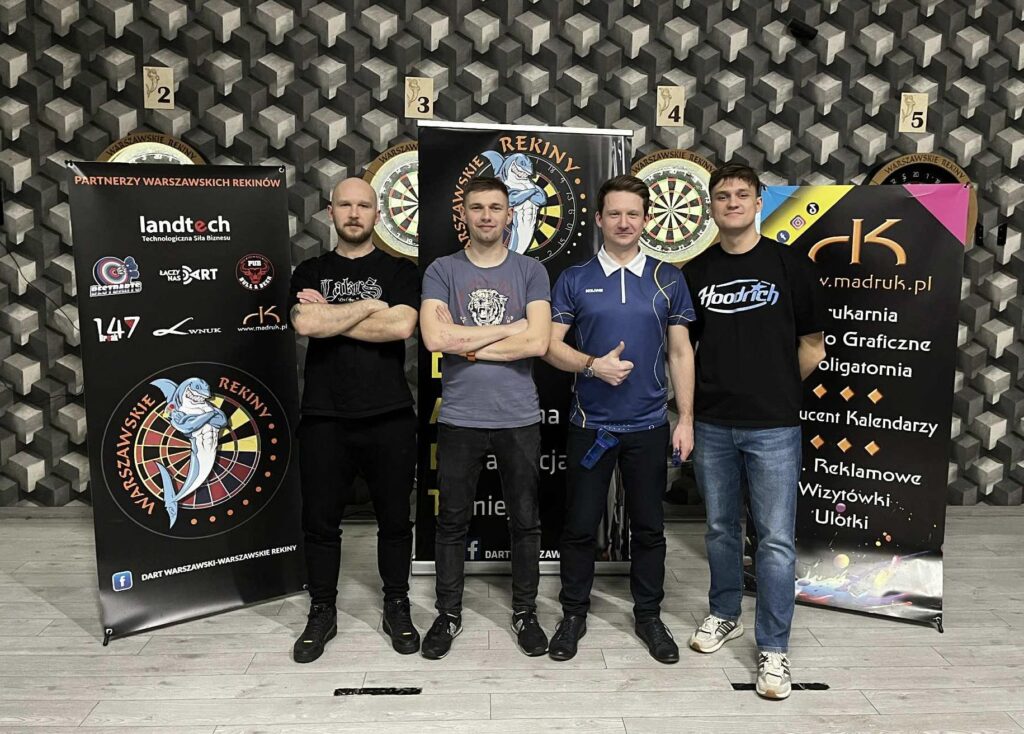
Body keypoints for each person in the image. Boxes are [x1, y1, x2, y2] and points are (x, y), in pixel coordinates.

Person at [683, 163, 826, 699]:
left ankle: (774, 648)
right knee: (720, 529)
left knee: (775, 540)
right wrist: (692, 412)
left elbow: (813, 346)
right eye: (722, 196)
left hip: (774, 426)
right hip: (714, 423)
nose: (732, 203)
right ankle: (725, 614)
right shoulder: (696, 272)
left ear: (759, 201)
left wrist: (777, 388)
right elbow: (685, 349)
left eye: (742, 194)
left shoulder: (791, 265)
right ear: (711, 206)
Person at [542, 174, 696, 664]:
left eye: (633, 213)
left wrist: (686, 418)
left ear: (646, 220)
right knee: (579, 527)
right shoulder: (574, 278)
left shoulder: (668, 278)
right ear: (599, 219)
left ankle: (648, 616)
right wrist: (593, 365)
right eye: (615, 213)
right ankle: (573, 614)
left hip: (649, 427)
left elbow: (680, 352)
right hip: (591, 426)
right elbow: (549, 346)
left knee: (649, 528)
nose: (624, 222)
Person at [418, 176, 552, 659]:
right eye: (477, 207)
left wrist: (469, 343)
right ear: (464, 214)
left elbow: (538, 342)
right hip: (461, 417)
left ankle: (525, 612)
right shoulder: (442, 269)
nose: (487, 216)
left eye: (496, 207)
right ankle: (448, 614)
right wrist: (510, 328)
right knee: (452, 522)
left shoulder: (531, 270)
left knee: (525, 522)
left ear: (510, 213)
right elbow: (436, 340)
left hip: (518, 416)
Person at [288, 177, 420, 663]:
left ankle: (396, 605)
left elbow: (401, 326)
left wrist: (333, 317)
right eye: (345, 204)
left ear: (377, 214)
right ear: (330, 212)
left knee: (395, 521)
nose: (354, 212)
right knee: (320, 524)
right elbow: (305, 323)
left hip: (389, 414)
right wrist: (368, 306)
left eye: (363, 205)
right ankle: (322, 610)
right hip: (324, 415)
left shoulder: (400, 269)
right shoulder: (310, 269)